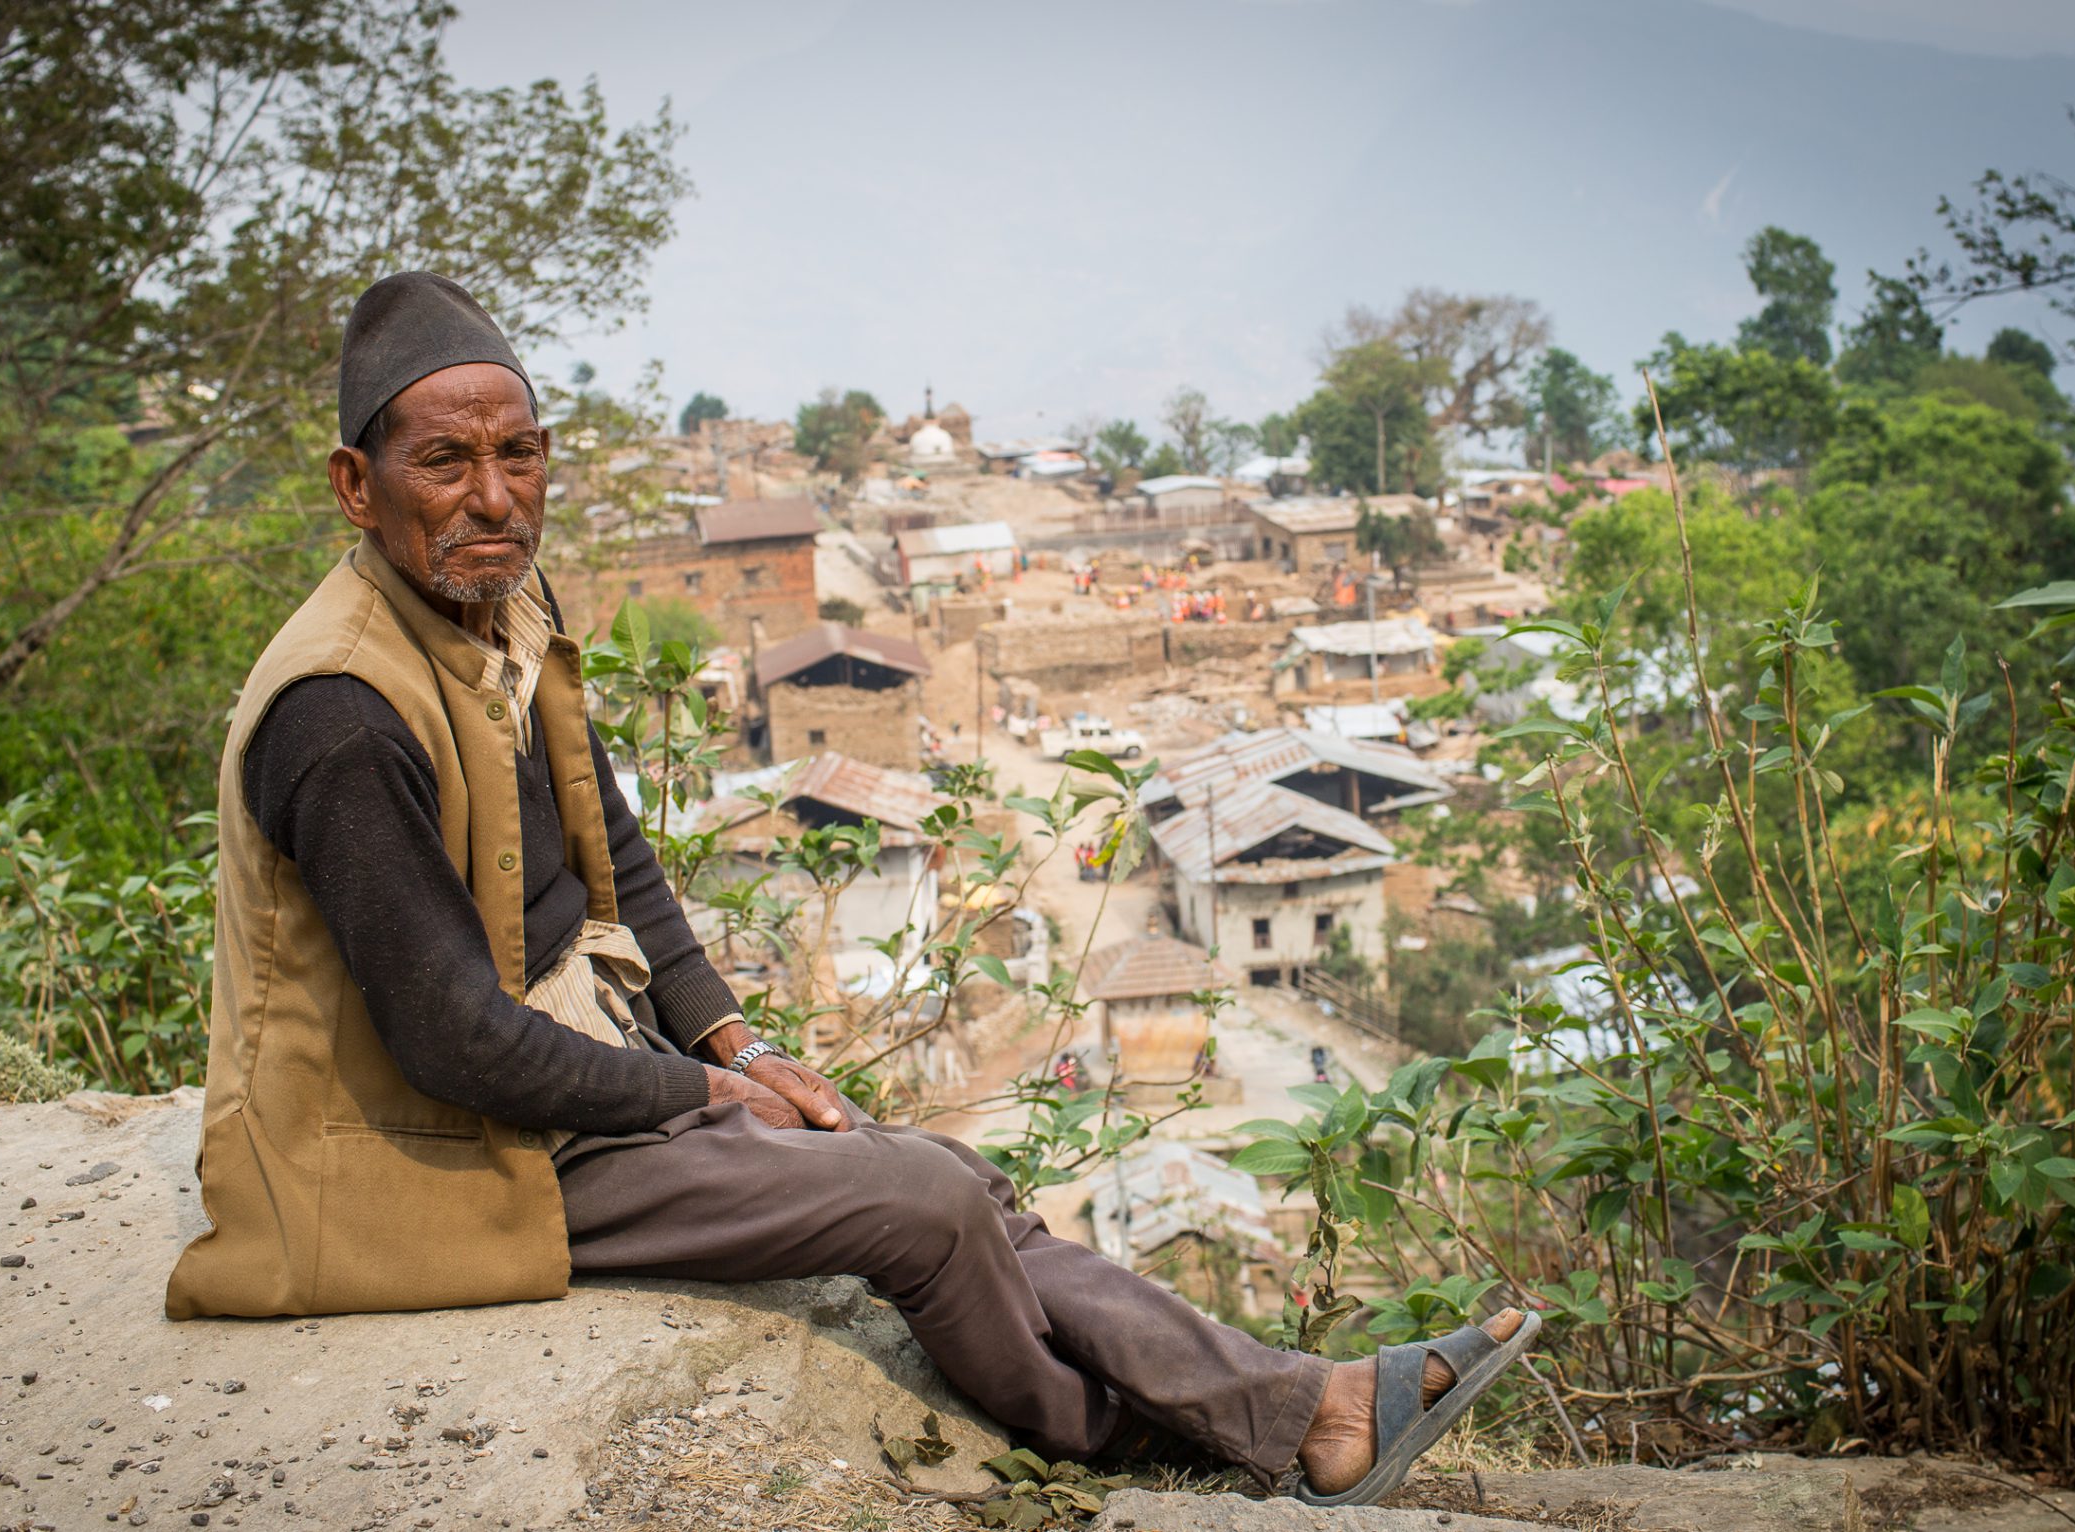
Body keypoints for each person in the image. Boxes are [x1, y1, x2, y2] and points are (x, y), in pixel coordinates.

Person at [168, 272, 1536, 1508]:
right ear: (358, 486)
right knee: (918, 1212)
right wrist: (701, 1094)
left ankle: (1310, 1405)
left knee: (946, 1169)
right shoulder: (345, 713)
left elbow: (620, 864)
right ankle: (1169, 1437)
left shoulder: (497, 615)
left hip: (569, 1067)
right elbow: (450, 1043)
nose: (493, 498)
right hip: (440, 1152)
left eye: (517, 456)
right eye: (445, 462)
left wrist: (740, 1044)